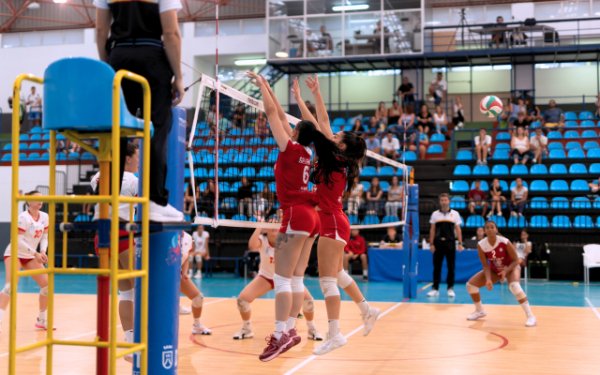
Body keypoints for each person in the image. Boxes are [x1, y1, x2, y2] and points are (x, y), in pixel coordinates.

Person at [300, 74, 380, 355]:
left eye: (337, 137)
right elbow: (322, 122)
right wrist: (312, 95)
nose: (332, 135)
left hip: (332, 221)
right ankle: (367, 309)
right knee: (337, 273)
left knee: (326, 279)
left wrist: (313, 96)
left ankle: (335, 334)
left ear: (342, 146)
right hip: (335, 220)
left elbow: (321, 122)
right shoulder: (335, 157)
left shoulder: (334, 157)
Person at [248, 72, 324, 362]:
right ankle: (291, 329)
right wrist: (269, 88)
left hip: (296, 214)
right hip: (311, 217)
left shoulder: (289, 148)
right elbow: (281, 115)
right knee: (295, 278)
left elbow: (271, 113)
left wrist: (262, 87)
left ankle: (280, 334)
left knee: (281, 279)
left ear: (294, 133)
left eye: (291, 128)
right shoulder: (308, 150)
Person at [95, 0, 185, 222]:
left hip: (119, 56)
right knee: (157, 127)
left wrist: (108, 65)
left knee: (116, 130)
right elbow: (171, 32)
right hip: (152, 57)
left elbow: (100, 29)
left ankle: (105, 201)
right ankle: (154, 202)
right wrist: (179, 76)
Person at [90, 143, 139, 358]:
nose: (139, 161)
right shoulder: (133, 180)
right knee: (143, 289)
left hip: (102, 238)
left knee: (126, 292)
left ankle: (130, 345)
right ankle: (144, 341)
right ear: (127, 159)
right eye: (137, 156)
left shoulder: (97, 177)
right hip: (123, 235)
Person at [234, 225, 323, 341]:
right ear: (266, 230)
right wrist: (260, 226)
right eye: (271, 226)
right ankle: (247, 329)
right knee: (242, 300)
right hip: (266, 278)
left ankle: (312, 329)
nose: (274, 228)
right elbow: (252, 246)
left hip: (287, 278)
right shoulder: (262, 240)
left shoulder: (287, 239)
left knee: (309, 301)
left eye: (277, 225)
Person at [466, 221, 537, 327]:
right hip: (495, 270)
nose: (490, 229)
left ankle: (531, 316)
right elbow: (486, 266)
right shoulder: (481, 245)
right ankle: (479, 310)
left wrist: (506, 271)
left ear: (496, 230)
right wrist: (488, 279)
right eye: (487, 227)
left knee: (514, 287)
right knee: (471, 285)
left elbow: (516, 260)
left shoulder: (504, 242)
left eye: (492, 227)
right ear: (485, 231)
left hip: (511, 267)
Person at [0, 191, 50, 332]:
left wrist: (43, 251)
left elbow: (45, 237)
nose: (41, 201)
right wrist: (35, 253)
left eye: (42, 199)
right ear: (29, 201)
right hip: (15, 253)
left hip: (30, 255)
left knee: (46, 285)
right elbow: (18, 240)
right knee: (10, 286)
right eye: (37, 199)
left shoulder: (45, 217)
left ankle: (42, 320)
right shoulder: (23, 218)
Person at [428, 193, 464, 298]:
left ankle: (450, 288)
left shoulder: (455, 214)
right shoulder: (435, 214)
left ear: (449, 201)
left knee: (451, 267)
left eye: (445, 200)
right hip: (438, 244)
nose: (444, 202)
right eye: (442, 200)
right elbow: (432, 229)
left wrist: (460, 243)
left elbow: (458, 229)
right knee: (437, 267)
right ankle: (435, 289)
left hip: (450, 243)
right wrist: (431, 243)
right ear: (440, 202)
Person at [179, 231, 212, 334]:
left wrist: (184, 273)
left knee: (198, 298)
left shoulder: (188, 238)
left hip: (176, 274)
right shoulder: (165, 235)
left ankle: (197, 326)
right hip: (160, 274)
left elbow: (186, 257)